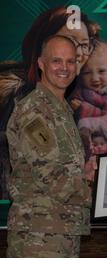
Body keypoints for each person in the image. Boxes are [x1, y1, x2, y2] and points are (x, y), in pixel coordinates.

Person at [6, 35, 91, 258]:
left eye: (70, 61)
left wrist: (87, 173)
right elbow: (53, 179)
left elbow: (63, 170)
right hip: (38, 240)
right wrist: (104, 195)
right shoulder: (34, 111)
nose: (64, 67)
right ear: (41, 63)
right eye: (57, 61)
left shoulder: (60, 109)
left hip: (63, 234)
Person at [0, 6, 98, 199]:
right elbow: (49, 175)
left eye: (84, 45)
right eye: (68, 42)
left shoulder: (64, 103)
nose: (77, 53)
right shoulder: (23, 98)